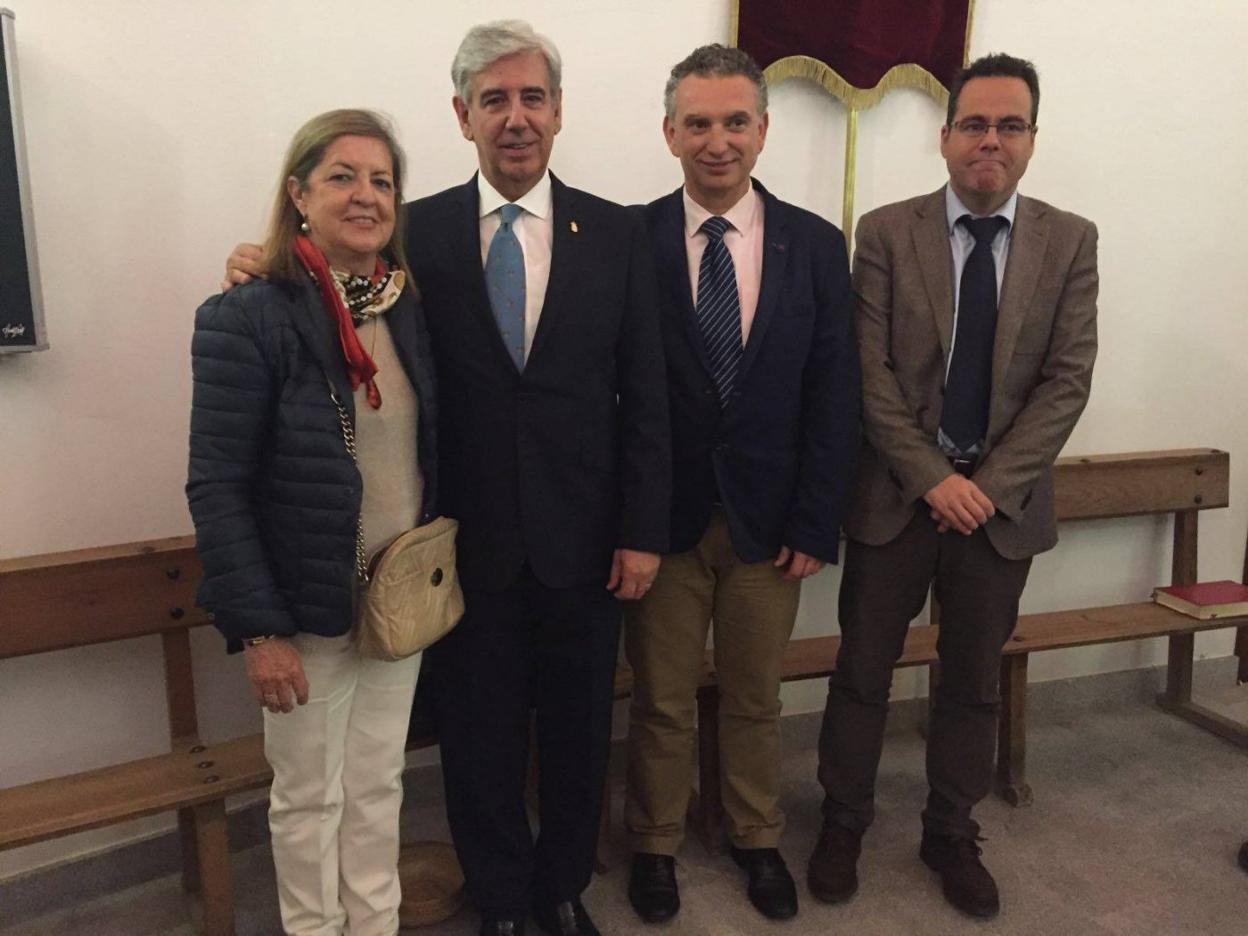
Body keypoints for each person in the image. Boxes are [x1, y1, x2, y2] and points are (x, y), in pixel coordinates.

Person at [224, 22, 669, 936]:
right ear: (462, 116)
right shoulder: (408, 231)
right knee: (479, 737)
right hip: (458, 547)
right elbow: (329, 289)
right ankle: (501, 900)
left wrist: (642, 529)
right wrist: (260, 268)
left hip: (587, 542)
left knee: (581, 731)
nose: (516, 118)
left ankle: (562, 889)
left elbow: (647, 394)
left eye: (532, 97)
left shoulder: (616, 233)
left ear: (558, 111)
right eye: (493, 100)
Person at [807, 53, 1098, 920]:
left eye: (1010, 126)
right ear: (944, 137)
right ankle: (843, 821)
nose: (990, 141)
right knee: (861, 673)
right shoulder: (886, 233)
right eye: (974, 124)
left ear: (1032, 140)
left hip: (999, 513)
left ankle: (950, 830)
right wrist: (934, 478)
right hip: (898, 499)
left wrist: (986, 485)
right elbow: (868, 374)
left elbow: (1066, 381)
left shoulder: (1069, 241)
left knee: (972, 681)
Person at [624, 44, 859, 925]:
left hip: (771, 523)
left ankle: (756, 836)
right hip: (663, 523)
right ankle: (655, 842)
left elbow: (834, 394)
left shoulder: (815, 245)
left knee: (756, 698)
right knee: (661, 701)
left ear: (762, 130)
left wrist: (817, 519)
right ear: (669, 133)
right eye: (698, 123)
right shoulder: (630, 240)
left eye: (734, 122)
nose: (716, 141)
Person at [189, 109, 439, 936]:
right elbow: (218, 484)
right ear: (298, 194)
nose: (366, 195)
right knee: (308, 799)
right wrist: (260, 631)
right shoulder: (248, 314)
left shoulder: (407, 307)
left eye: (382, 181)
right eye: (342, 176)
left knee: (377, 786)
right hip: (303, 610)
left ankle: (375, 926)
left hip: (395, 602)